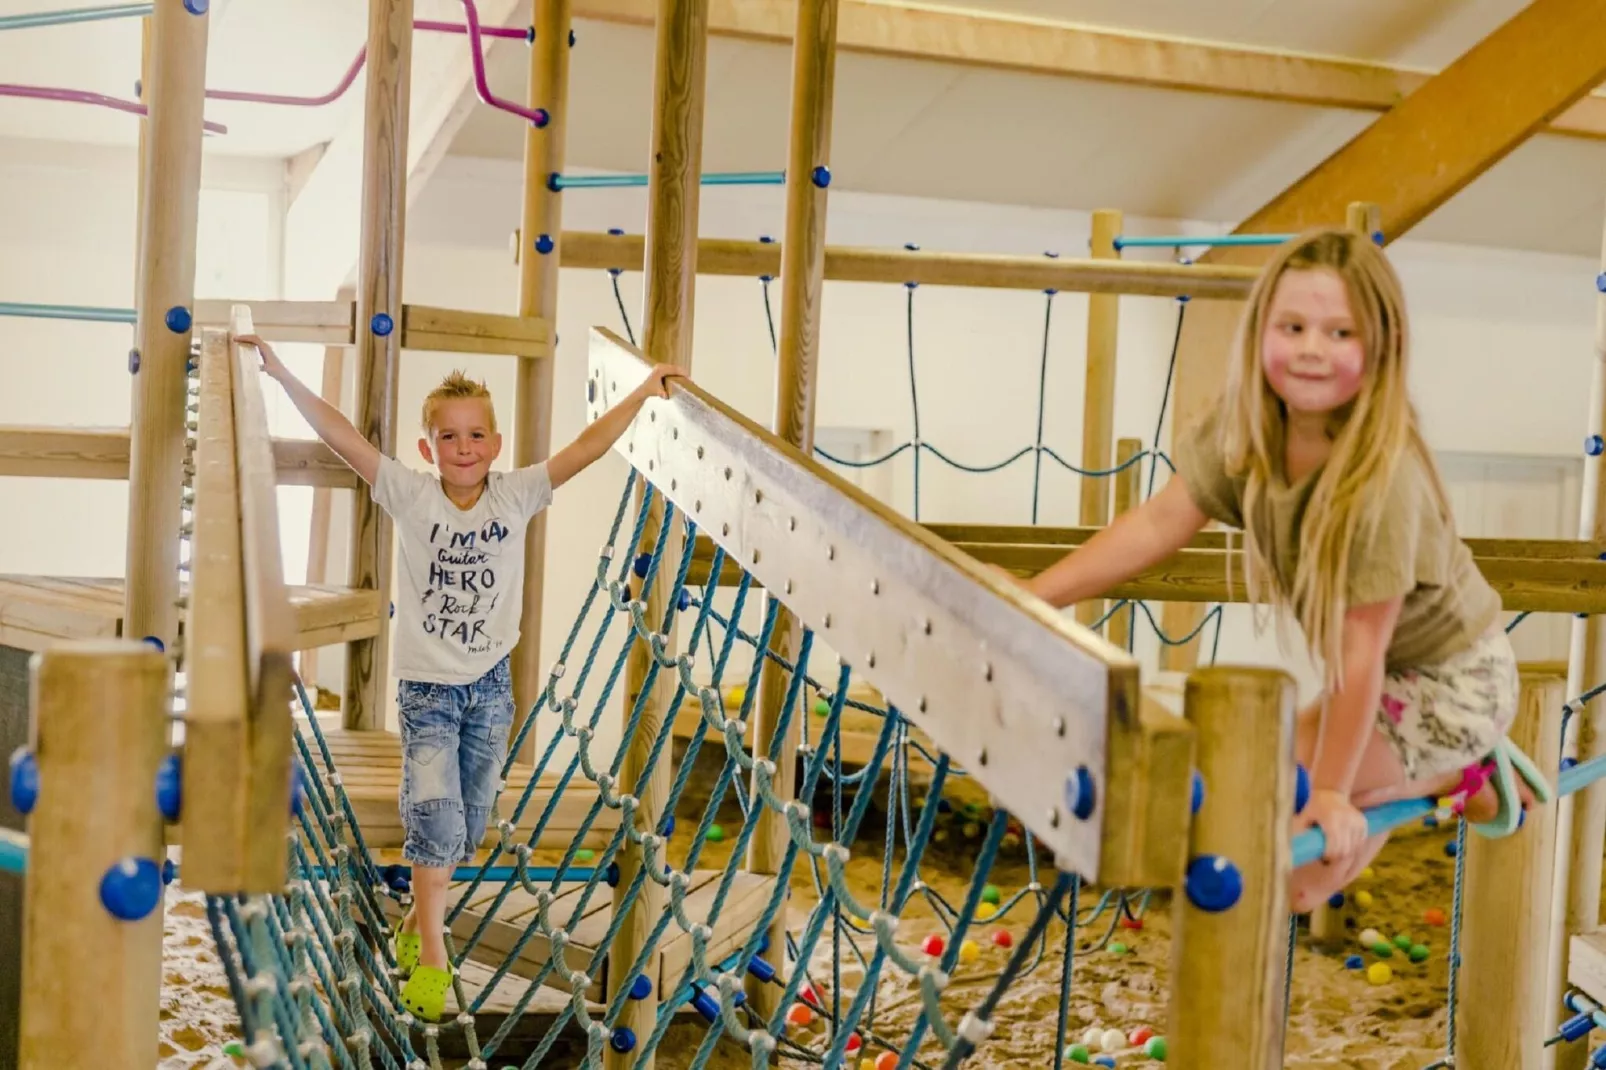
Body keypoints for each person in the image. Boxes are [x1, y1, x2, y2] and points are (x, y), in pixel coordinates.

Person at [1007, 229, 1549, 911]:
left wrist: (1329, 792)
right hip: (1382, 677)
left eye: (1339, 332)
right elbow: (1156, 524)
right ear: (1260, 331)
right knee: (1274, 849)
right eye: (1292, 326)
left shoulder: (1380, 484)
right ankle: (1452, 778)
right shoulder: (1249, 431)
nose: (1311, 349)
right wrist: (1037, 595)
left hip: (1452, 684)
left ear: (1380, 347)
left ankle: (1452, 772)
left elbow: (1360, 654)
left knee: (1285, 860)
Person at [243, 335, 686, 1019]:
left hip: (490, 689)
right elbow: (343, 438)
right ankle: (429, 948)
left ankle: (410, 924)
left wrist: (642, 390)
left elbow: (586, 447)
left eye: (476, 434)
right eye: (448, 436)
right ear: (427, 450)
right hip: (427, 692)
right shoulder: (412, 496)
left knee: (470, 827)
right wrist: (281, 371)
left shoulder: (516, 495)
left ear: (497, 442)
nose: (463, 446)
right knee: (436, 822)